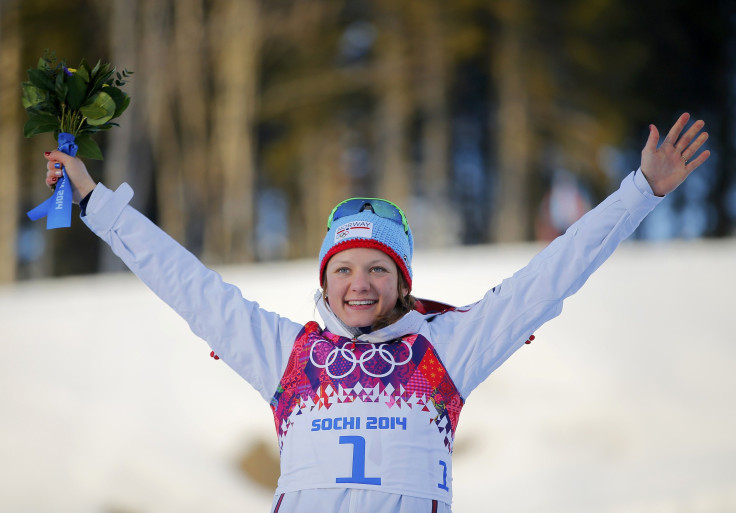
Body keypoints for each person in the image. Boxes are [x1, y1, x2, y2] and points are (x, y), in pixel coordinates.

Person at [43, 113, 709, 512]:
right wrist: (96, 202)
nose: (360, 284)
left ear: (401, 280)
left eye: (377, 269)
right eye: (344, 270)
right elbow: (186, 283)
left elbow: (549, 278)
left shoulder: (448, 347)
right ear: (325, 281)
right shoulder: (287, 353)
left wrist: (640, 190)